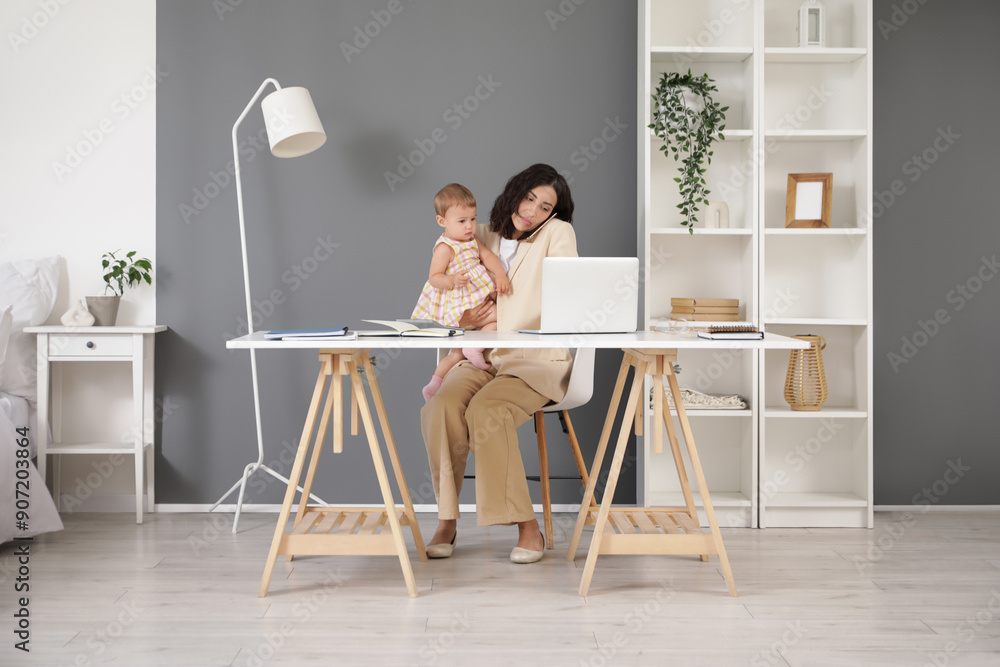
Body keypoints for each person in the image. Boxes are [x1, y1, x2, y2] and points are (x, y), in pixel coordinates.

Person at [420, 163, 576, 563]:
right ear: (515, 192)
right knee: (440, 407)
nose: (532, 210)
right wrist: (467, 319)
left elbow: (569, 296)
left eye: (545, 207)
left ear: (553, 214)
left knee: (487, 410)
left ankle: (527, 526)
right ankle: (447, 519)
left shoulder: (557, 234)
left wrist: (504, 315)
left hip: (532, 360)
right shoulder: (476, 233)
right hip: (480, 357)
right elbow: (448, 296)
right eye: (529, 198)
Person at [412, 183, 511, 401]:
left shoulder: (472, 240)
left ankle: (439, 378)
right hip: (459, 305)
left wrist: (500, 275)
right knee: (501, 317)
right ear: (442, 221)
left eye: (473, 219)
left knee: (459, 351)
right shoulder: (445, 248)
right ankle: (439, 378)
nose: (470, 226)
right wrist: (451, 280)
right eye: (462, 221)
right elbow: (434, 277)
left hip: (476, 299)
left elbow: (488, 257)